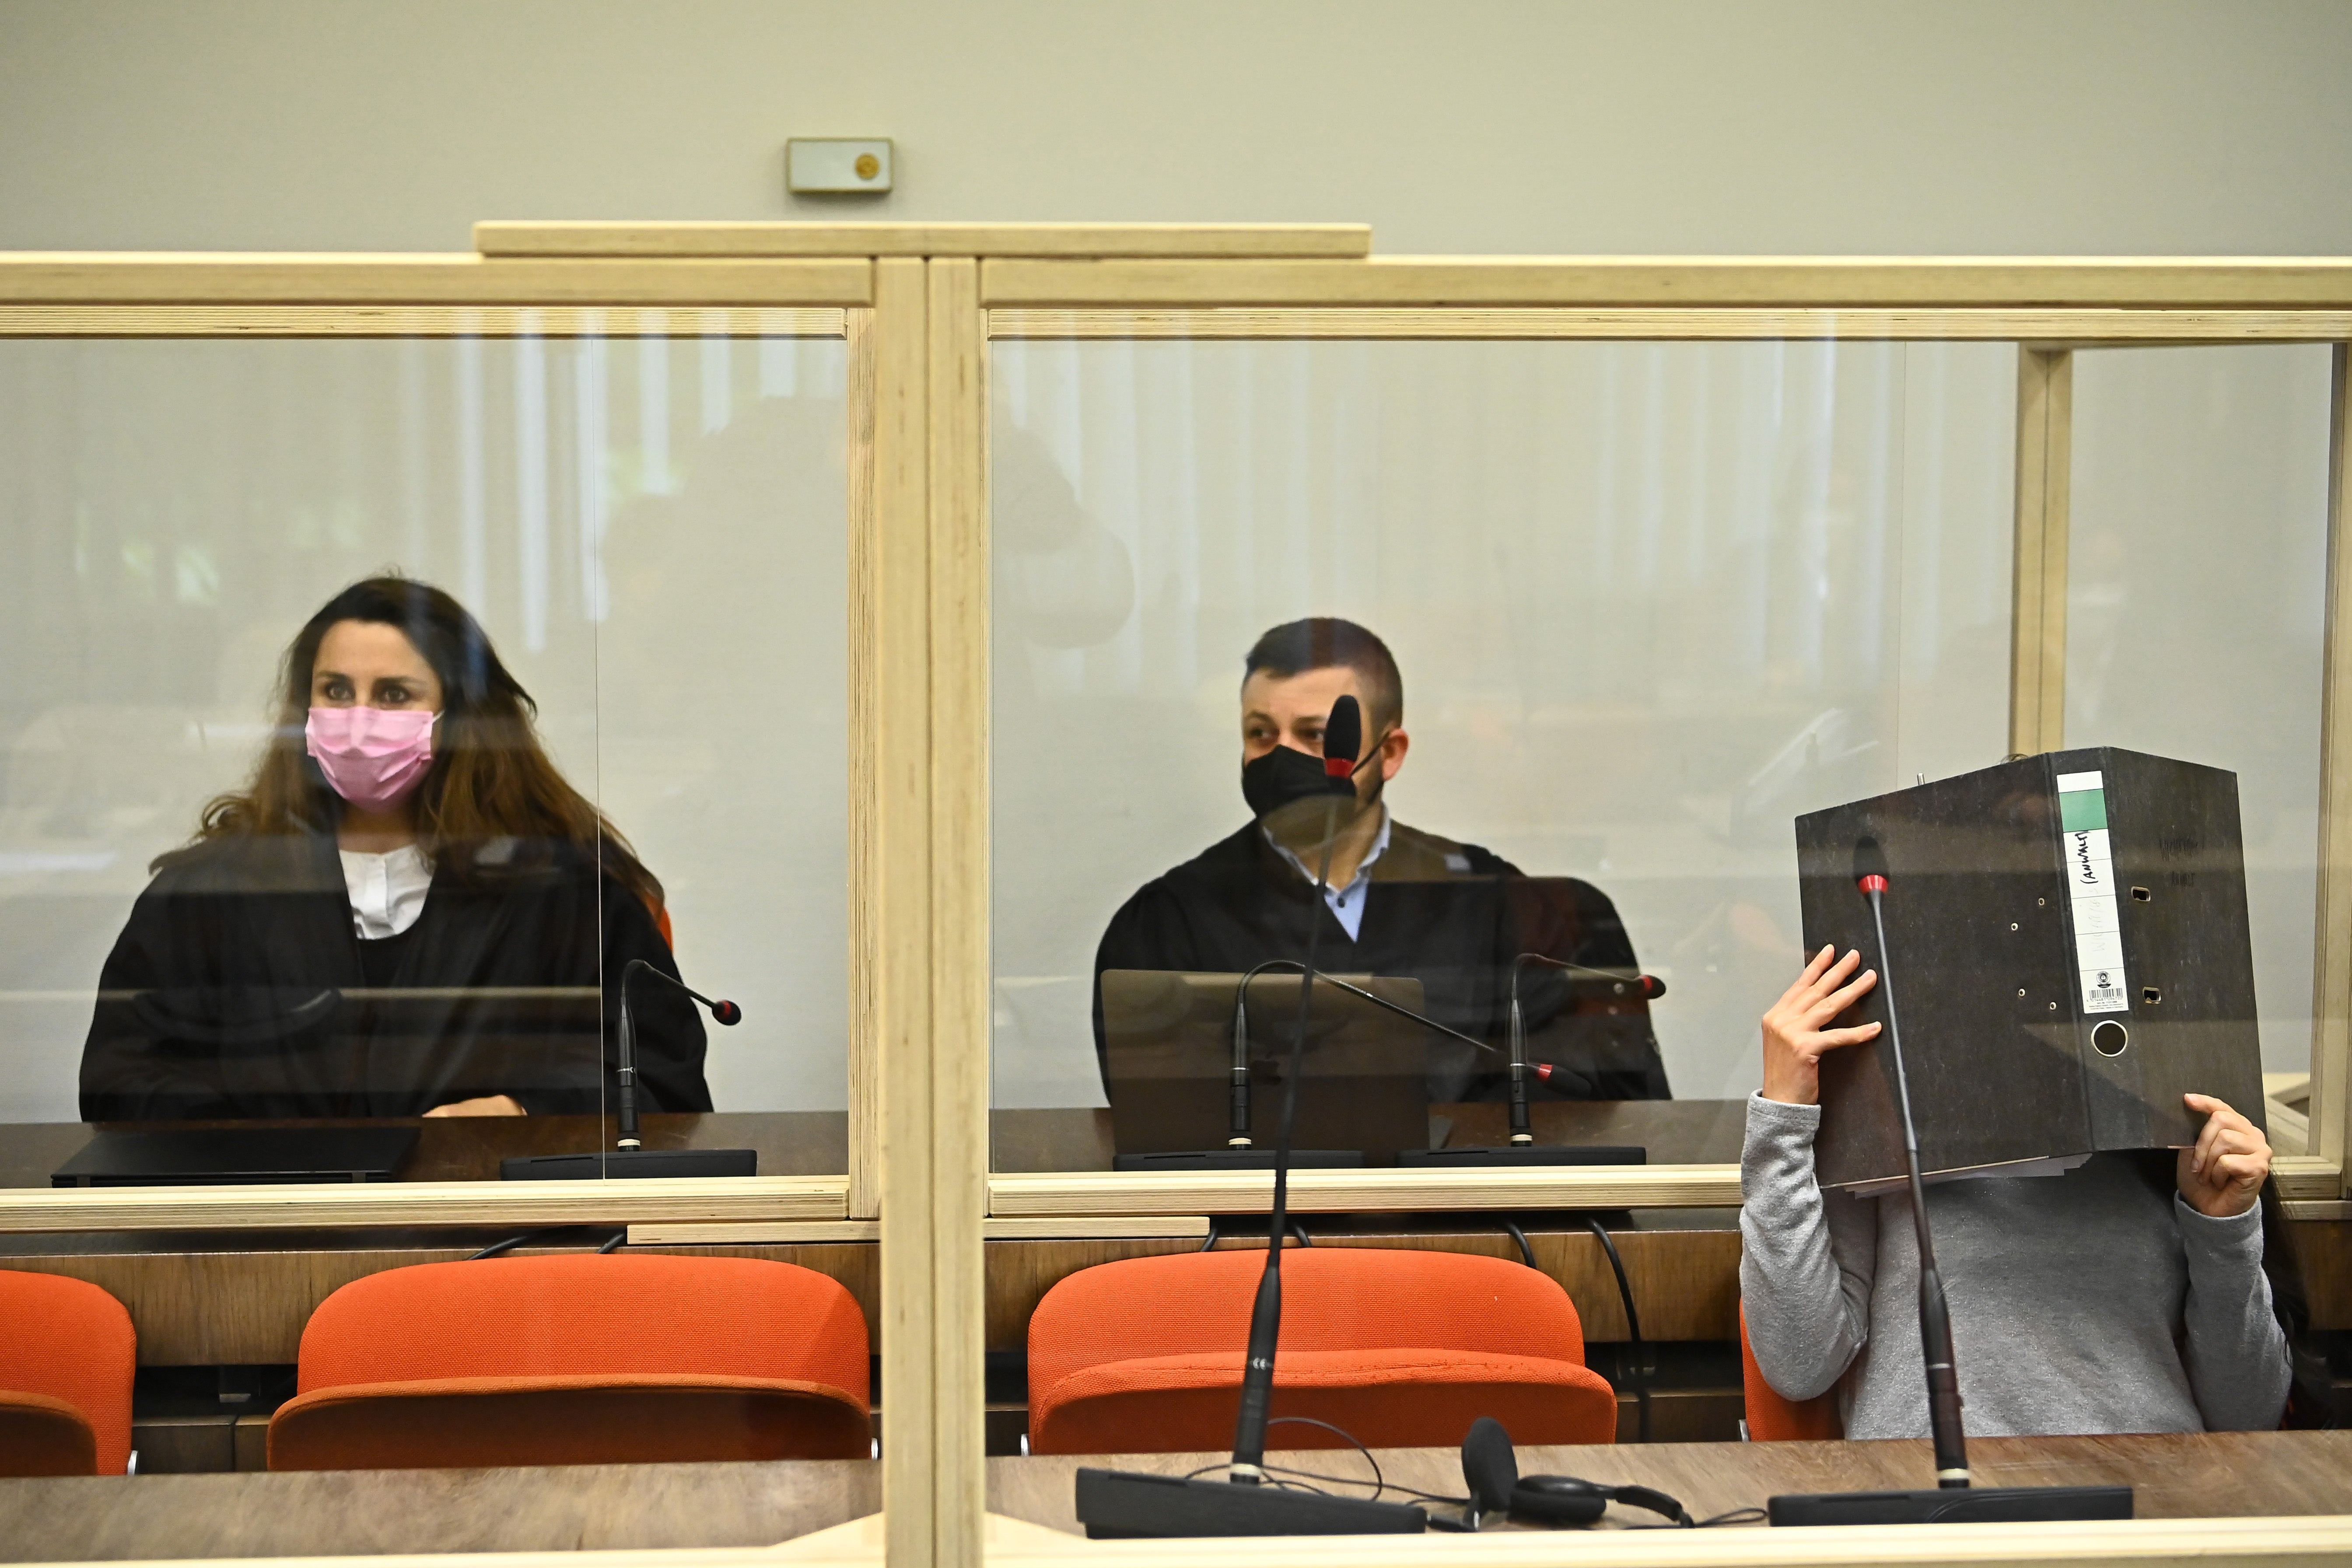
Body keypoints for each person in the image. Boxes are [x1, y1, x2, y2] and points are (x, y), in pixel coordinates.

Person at [78, 577, 711, 1121]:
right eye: (335, 690)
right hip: (269, 1233)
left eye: (393, 694)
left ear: (462, 715)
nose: (358, 718)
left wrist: (525, 1111)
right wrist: (260, 1142)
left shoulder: (564, 889)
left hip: (487, 1231)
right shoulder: (209, 890)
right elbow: (121, 1082)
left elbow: (663, 1083)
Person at [1091, 616, 1668, 1104]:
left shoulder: (1500, 907)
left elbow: (1589, 1115)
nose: (1282, 755)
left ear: (1389, 753)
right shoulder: (1168, 926)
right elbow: (1172, 1142)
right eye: (1261, 733)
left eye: (1317, 735)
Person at [1739, 945, 2292, 1437]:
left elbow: (2248, 1416)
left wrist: (2222, 1225)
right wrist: (1782, 1116)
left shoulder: (2177, 1127)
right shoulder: (1879, 1117)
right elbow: (1799, 1362)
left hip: (2146, 1509)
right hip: (1940, 1510)